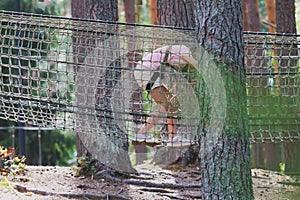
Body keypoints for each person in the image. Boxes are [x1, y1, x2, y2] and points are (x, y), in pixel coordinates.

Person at [133, 45, 197, 145]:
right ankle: (142, 135)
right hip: (145, 71)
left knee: (171, 105)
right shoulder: (185, 50)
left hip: (149, 73)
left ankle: (172, 138)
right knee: (165, 105)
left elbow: (171, 76)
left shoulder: (175, 59)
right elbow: (196, 64)